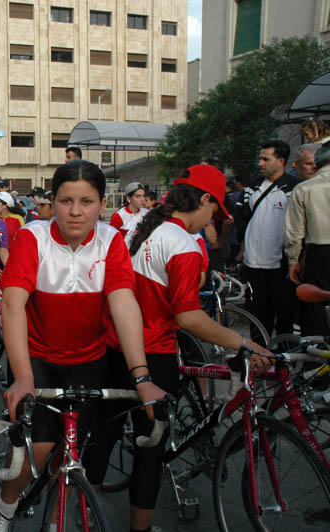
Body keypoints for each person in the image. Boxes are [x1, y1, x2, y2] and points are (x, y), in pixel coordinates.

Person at [84, 165, 272, 532]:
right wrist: (245, 342)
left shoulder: (140, 229)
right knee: (150, 452)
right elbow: (188, 317)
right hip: (154, 355)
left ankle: (85, 510)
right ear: (204, 200)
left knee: (104, 436)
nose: (211, 220)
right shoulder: (183, 243)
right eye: (213, 210)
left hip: (113, 347)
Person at [0, 161, 165, 531]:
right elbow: (13, 304)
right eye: (66, 201)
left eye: (87, 201)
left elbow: (124, 305)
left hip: (88, 359)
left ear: (103, 204)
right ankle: (6, 504)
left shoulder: (112, 240)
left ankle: (55, 519)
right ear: (53, 202)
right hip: (37, 358)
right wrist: (23, 377)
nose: (76, 211)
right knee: (41, 447)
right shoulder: (33, 237)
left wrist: (142, 377)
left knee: (71, 452)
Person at [237, 140, 300, 336]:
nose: (260, 163)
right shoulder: (252, 187)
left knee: (284, 319)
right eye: (260, 159)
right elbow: (241, 218)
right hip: (252, 266)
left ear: (281, 161)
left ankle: (283, 353)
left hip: (280, 267)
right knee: (256, 319)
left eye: (266, 159)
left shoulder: (293, 188)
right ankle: (258, 353)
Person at [284, 143, 330, 335]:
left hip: (319, 255)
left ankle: (318, 350)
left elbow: (295, 232)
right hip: (318, 252)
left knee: (315, 310)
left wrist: (293, 261)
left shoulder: (304, 188)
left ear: (318, 163)